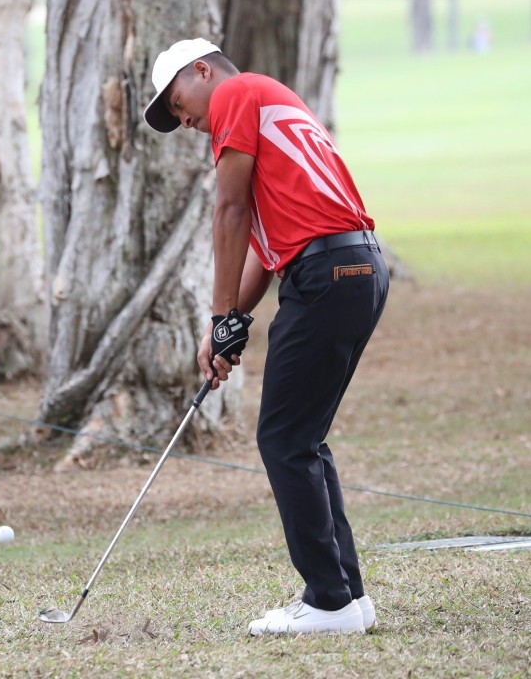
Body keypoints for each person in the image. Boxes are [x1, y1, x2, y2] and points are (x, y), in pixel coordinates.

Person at [143, 39, 390, 635]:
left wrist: (219, 314)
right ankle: (348, 597)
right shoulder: (269, 98)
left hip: (325, 275)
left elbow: (228, 212)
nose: (185, 119)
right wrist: (230, 324)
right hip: (357, 269)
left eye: (179, 103)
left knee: (283, 439)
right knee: (302, 438)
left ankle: (328, 602)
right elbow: (263, 242)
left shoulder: (232, 93)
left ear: (202, 71)